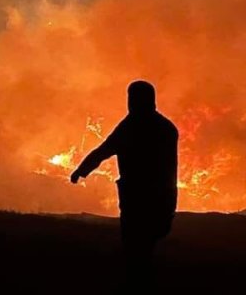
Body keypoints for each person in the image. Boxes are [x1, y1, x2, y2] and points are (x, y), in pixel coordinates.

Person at [70, 80, 179, 282]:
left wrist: (80, 171)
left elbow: (104, 151)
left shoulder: (131, 127)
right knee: (145, 244)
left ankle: (136, 287)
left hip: (138, 197)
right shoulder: (166, 128)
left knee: (136, 244)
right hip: (159, 196)